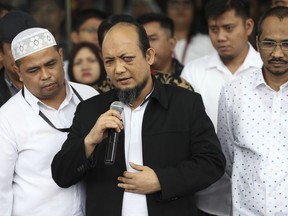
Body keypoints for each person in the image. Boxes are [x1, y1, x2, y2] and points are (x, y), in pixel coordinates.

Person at [51, 15, 226, 216]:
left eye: (127, 59)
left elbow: (213, 163)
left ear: (149, 56)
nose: (119, 69)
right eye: (109, 61)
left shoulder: (185, 104)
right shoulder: (90, 110)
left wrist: (161, 180)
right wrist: (89, 142)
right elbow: (61, 175)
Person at [0, 27, 98, 216]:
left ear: (61, 57)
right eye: (33, 70)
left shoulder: (89, 97)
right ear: (18, 72)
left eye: (51, 64)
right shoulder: (6, 118)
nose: (45, 75)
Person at [180, 0, 263, 215]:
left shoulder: (267, 69)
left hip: (263, 198)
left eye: (229, 28)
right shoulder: (193, 72)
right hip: (207, 197)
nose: (220, 37)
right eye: (214, 29)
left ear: (248, 26)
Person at [217, 6, 288, 215]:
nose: (277, 53)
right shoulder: (234, 92)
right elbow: (227, 155)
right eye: (268, 43)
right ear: (257, 43)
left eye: (286, 44)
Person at [0, 10, 37, 107]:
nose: (25, 53)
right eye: (16, 48)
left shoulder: (55, 81)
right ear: (1, 54)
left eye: (31, 44)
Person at [162, 0, 215, 65]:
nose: (180, 9)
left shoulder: (208, 42)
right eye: (175, 4)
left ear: (194, 10)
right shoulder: (158, 41)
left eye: (186, 4)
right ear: (166, 8)